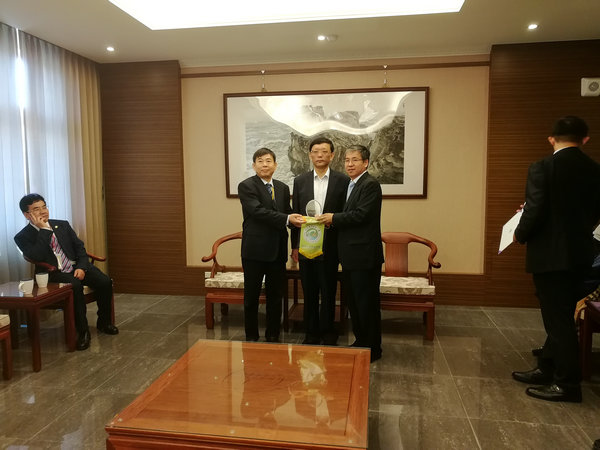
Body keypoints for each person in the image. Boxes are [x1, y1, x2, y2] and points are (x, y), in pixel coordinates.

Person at [512, 116, 600, 402]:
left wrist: (519, 233)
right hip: (582, 252)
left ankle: (567, 384)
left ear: (552, 138)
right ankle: (547, 367)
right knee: (562, 313)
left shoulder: (543, 167)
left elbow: (535, 209)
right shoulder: (595, 170)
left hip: (550, 255)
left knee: (558, 320)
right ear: (585, 139)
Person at [14, 193, 118, 351]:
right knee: (75, 286)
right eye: (36, 209)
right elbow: (36, 255)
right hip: (54, 272)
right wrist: (44, 230)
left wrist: (82, 267)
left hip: (77, 266)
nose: (43, 211)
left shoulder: (62, 225)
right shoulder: (22, 236)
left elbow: (79, 247)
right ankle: (82, 332)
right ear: (27, 215)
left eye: (44, 207)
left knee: (104, 282)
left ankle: (104, 322)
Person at [318, 145, 384, 362]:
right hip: (350, 256)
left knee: (367, 304)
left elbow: (361, 215)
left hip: (364, 256)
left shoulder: (370, 184)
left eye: (355, 160)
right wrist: (332, 221)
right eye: (347, 160)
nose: (349, 164)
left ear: (366, 163)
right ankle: (361, 341)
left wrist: (333, 218)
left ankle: (373, 348)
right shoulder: (352, 184)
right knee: (355, 303)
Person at [238, 148, 305, 342]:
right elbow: (258, 211)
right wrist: (288, 218)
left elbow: (288, 213)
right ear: (254, 166)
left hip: (277, 251)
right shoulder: (246, 186)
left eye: (268, 161)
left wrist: (305, 221)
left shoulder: (282, 188)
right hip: (254, 251)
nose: (264, 164)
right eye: (260, 161)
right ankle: (251, 336)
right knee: (251, 297)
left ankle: (273, 334)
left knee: (276, 296)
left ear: (275, 165)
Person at [291, 137, 349, 345]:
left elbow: (345, 214)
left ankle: (328, 330)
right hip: (306, 245)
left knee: (328, 289)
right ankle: (311, 331)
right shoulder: (300, 181)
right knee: (309, 290)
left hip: (331, 245)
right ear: (310, 155)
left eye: (324, 151)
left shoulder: (343, 181)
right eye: (315, 151)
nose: (320, 155)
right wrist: (295, 246)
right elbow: (295, 214)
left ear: (332, 155)